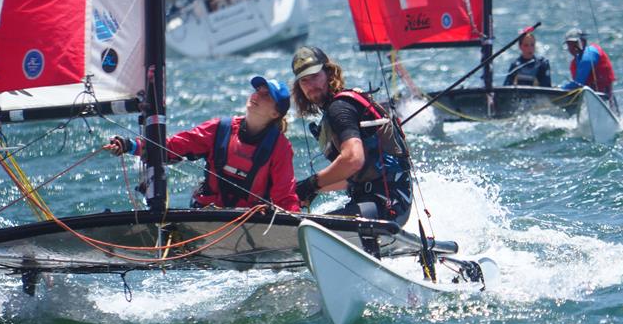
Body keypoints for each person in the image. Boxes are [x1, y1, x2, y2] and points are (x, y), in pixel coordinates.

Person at [106, 76, 300, 212]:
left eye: (266, 95)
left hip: (249, 222)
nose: (256, 95)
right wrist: (130, 146)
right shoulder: (220, 128)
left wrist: (295, 230)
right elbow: (172, 147)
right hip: (209, 216)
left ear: (276, 113)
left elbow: (285, 197)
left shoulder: (280, 148)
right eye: (257, 90)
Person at [291, 45, 412, 225]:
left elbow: (353, 159)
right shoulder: (340, 106)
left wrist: (312, 183)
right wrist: (311, 191)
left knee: (308, 227)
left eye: (315, 77)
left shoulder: (339, 109)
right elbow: (350, 178)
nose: (311, 86)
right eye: (304, 81)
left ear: (329, 74)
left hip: (384, 206)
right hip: (388, 204)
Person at [560, 28, 616, 99]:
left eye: (574, 43)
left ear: (583, 41)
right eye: (569, 44)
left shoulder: (589, 54)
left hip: (604, 98)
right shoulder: (575, 62)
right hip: (591, 99)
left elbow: (578, 83)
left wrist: (560, 89)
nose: (571, 47)